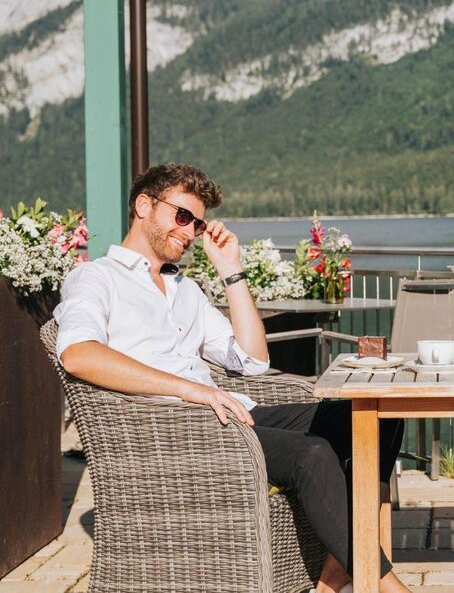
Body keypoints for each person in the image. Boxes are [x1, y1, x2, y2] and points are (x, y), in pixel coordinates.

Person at [52, 163, 409, 593]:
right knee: (311, 454)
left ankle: (336, 571)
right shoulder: (96, 278)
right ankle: (384, 584)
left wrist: (230, 271)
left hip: (229, 415)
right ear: (144, 206)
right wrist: (190, 389)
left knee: (375, 418)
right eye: (182, 216)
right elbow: (78, 354)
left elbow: (253, 361)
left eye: (198, 224)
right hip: (174, 429)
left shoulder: (185, 289)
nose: (190, 232)